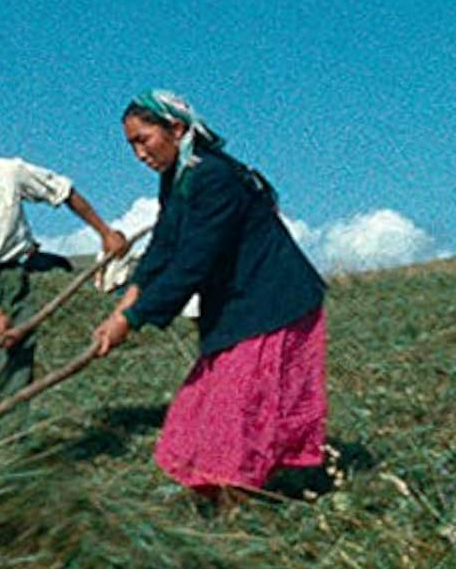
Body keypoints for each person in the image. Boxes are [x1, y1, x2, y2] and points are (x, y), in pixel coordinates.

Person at [93, 90, 328, 500]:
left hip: (272, 302)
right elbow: (164, 245)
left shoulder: (213, 176)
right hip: (238, 305)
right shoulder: (178, 177)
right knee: (209, 410)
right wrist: (125, 302)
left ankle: (241, 503)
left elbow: (191, 263)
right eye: (131, 144)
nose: (138, 154)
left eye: (143, 140)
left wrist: (131, 320)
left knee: (238, 412)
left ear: (177, 129)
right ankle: (229, 495)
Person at [0, 113, 128, 416]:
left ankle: (6, 446)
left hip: (12, 282)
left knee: (12, 370)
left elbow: (63, 191)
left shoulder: (8, 172)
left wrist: (105, 233)